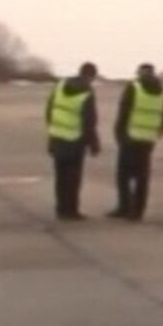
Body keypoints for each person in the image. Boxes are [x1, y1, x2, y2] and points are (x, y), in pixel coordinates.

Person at [110, 63, 163, 220]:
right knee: (142, 176)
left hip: (130, 137)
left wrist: (119, 134)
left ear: (139, 73)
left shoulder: (134, 88)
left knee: (123, 176)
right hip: (148, 139)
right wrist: (158, 133)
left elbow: (124, 111)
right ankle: (137, 211)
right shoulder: (162, 91)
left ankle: (124, 207)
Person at [43, 63, 103, 221]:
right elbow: (89, 121)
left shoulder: (60, 86)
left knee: (60, 176)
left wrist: (52, 130)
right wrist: (94, 144)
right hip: (75, 140)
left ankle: (61, 208)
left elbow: (49, 110)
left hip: (57, 136)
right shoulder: (86, 93)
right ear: (91, 76)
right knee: (73, 178)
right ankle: (71, 210)